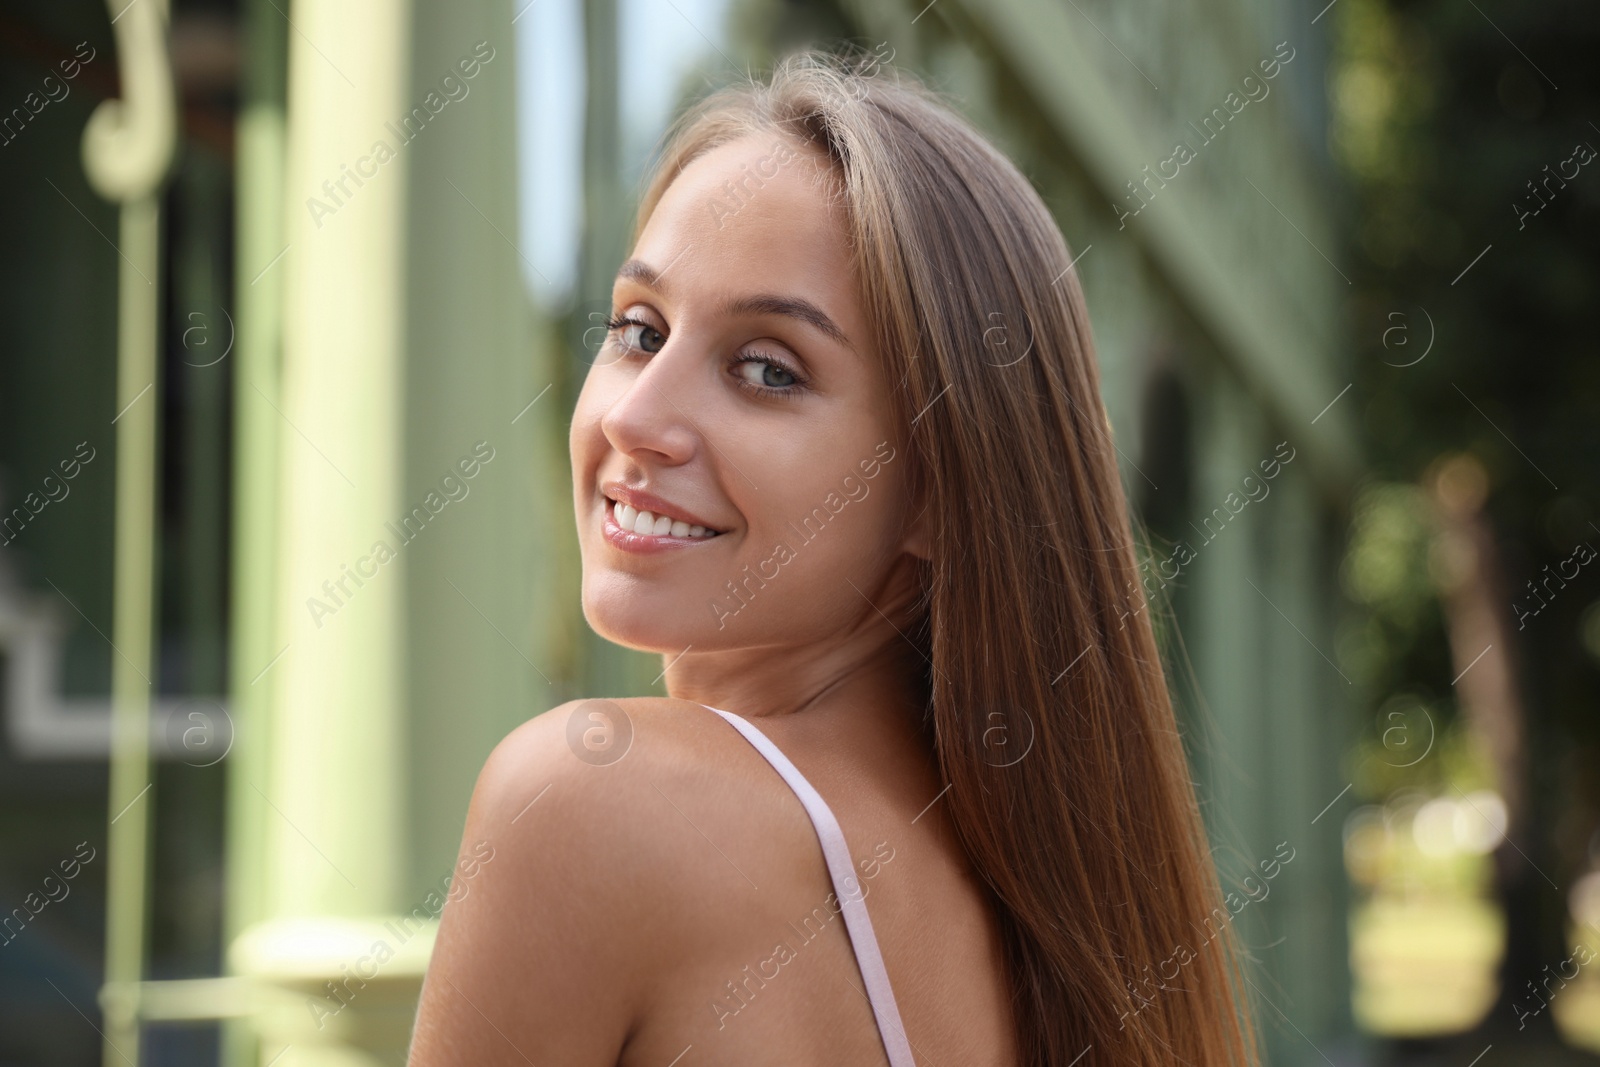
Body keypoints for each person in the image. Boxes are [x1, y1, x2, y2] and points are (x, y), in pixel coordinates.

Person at [408, 48, 1258, 1067]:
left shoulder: (586, 800)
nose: (636, 416)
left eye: (766, 369)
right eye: (638, 329)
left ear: (941, 487)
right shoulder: (1048, 920)